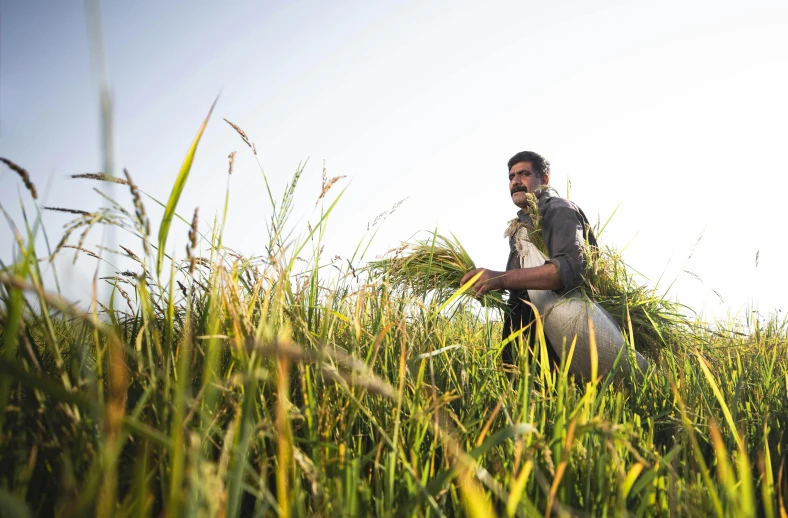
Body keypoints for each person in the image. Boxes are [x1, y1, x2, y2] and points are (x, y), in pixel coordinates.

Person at [460, 151, 598, 367]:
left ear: (544, 180)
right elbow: (521, 285)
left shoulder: (558, 210)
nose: (516, 181)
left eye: (524, 174)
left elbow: (566, 270)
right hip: (524, 336)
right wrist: (484, 285)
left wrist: (501, 278)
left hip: (557, 335)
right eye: (511, 176)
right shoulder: (519, 226)